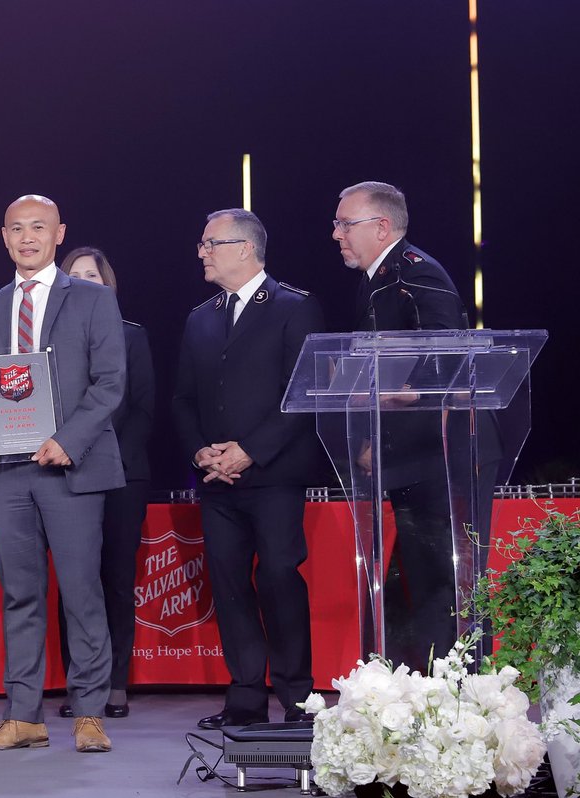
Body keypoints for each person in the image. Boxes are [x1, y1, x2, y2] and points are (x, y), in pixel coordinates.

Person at [0, 195, 125, 754]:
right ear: (3, 236)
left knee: (81, 592)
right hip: (6, 470)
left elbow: (110, 383)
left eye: (39, 227)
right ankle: (23, 715)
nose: (27, 237)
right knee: (19, 595)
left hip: (71, 468)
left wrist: (67, 441)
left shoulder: (92, 300)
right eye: (16, 228)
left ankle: (88, 713)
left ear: (59, 234)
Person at [333, 180, 498, 668]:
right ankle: (428, 691)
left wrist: (377, 397)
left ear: (382, 226)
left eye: (345, 223)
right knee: (422, 583)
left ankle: (463, 696)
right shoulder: (379, 278)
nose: (335, 233)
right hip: (411, 457)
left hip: (445, 453)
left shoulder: (416, 275)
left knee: (451, 584)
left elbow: (446, 362)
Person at [171, 208, 323, 729]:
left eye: (210, 243)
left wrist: (250, 451)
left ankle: (297, 696)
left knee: (279, 577)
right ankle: (244, 695)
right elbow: (184, 398)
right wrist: (200, 453)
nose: (201, 252)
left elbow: (301, 395)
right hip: (217, 480)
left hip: (273, 474)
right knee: (229, 582)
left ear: (244, 247)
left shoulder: (293, 308)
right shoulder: (201, 317)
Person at [56, 246, 154, 720]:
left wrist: (102, 452)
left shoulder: (131, 337)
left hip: (120, 474)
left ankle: (114, 682)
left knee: (115, 580)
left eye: (92, 276)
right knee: (75, 580)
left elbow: (141, 409)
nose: (83, 284)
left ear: (107, 283)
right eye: (74, 276)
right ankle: (79, 682)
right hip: (65, 469)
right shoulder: (49, 340)